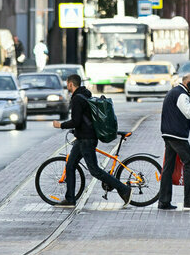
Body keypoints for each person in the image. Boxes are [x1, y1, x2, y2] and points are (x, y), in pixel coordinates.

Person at [52, 74, 131, 206]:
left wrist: (60, 125)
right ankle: (70, 199)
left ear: (71, 84)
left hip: (86, 139)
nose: (67, 86)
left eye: (67, 84)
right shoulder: (85, 95)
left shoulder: (77, 99)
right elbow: (85, 118)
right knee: (70, 165)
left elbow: (76, 121)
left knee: (95, 170)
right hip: (83, 138)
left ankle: (124, 189)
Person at [157, 73, 190, 210]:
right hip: (177, 136)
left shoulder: (174, 92)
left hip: (169, 133)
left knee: (168, 167)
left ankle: (164, 201)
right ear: (189, 83)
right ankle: (189, 200)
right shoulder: (181, 95)